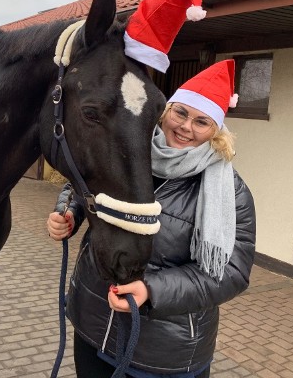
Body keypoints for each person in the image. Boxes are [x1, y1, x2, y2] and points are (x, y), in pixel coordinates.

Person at [47, 59, 256, 377]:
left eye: (202, 122)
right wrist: (69, 212)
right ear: (166, 111)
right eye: (181, 113)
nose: (186, 127)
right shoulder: (127, 151)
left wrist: (151, 290)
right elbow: (83, 185)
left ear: (216, 131)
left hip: (162, 355)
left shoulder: (232, 193)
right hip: (93, 326)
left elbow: (231, 274)